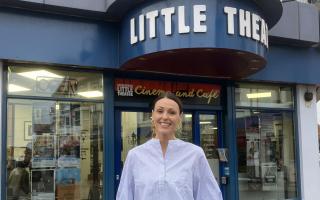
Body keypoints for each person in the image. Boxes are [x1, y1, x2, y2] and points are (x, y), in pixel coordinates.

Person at [116, 92, 223, 200]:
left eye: (172, 112)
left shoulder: (194, 154)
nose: (165, 117)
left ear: (179, 117)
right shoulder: (135, 155)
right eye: (160, 111)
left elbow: (209, 195)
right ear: (152, 115)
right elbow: (125, 195)